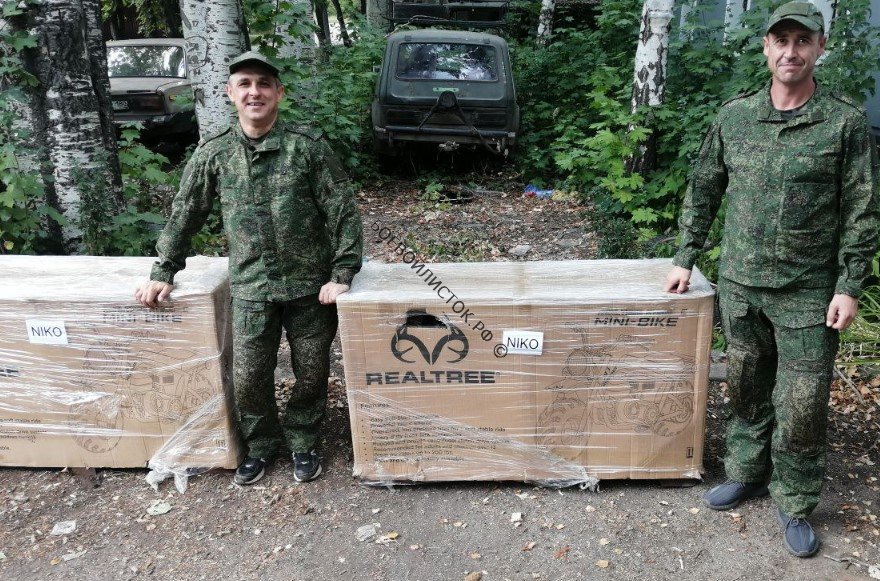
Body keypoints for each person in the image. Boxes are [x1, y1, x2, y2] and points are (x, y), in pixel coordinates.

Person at [664, 1, 879, 558]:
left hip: (809, 290)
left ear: (820, 47)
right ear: (766, 47)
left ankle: (796, 499)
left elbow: (862, 210)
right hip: (742, 283)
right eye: (781, 40)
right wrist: (685, 256)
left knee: (803, 403)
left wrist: (849, 285)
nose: (791, 51)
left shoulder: (844, 122)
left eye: (803, 41)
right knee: (746, 387)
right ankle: (747, 472)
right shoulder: (734, 117)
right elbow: (704, 187)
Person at [135, 51, 363, 486]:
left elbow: (342, 211)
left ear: (279, 93)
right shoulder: (215, 152)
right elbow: (187, 212)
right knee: (249, 377)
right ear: (230, 93)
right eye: (244, 83)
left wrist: (342, 274)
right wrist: (163, 271)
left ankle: (303, 441)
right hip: (252, 287)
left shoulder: (307, 148)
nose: (254, 92)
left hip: (310, 287)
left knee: (312, 371)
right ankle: (260, 445)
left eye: (263, 83)